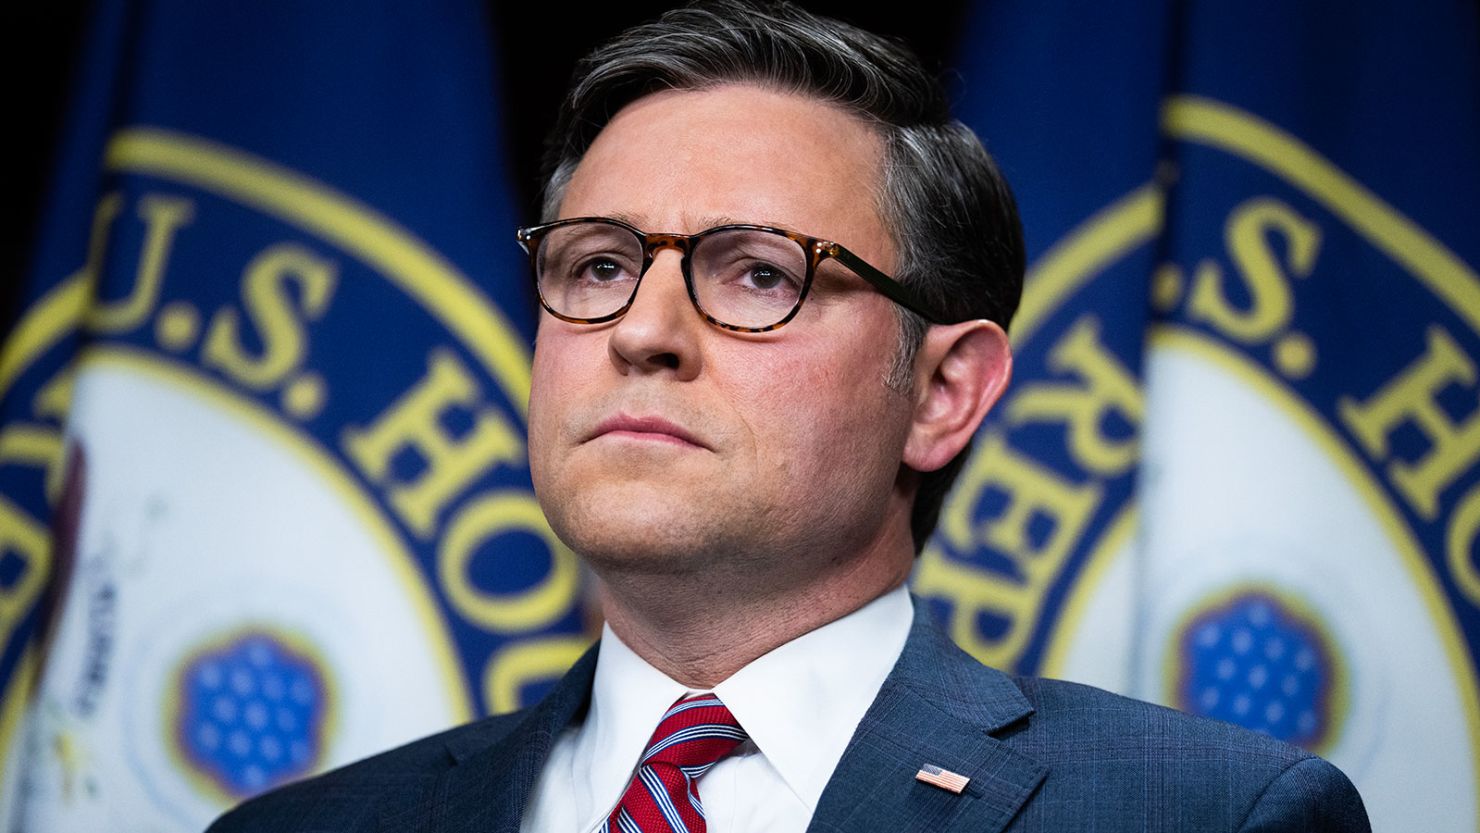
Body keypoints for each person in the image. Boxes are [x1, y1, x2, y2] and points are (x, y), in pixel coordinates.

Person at [208, 2, 1370, 831]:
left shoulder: (1202, 813)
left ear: (943, 390)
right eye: (598, 262)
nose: (640, 329)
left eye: (758, 272)